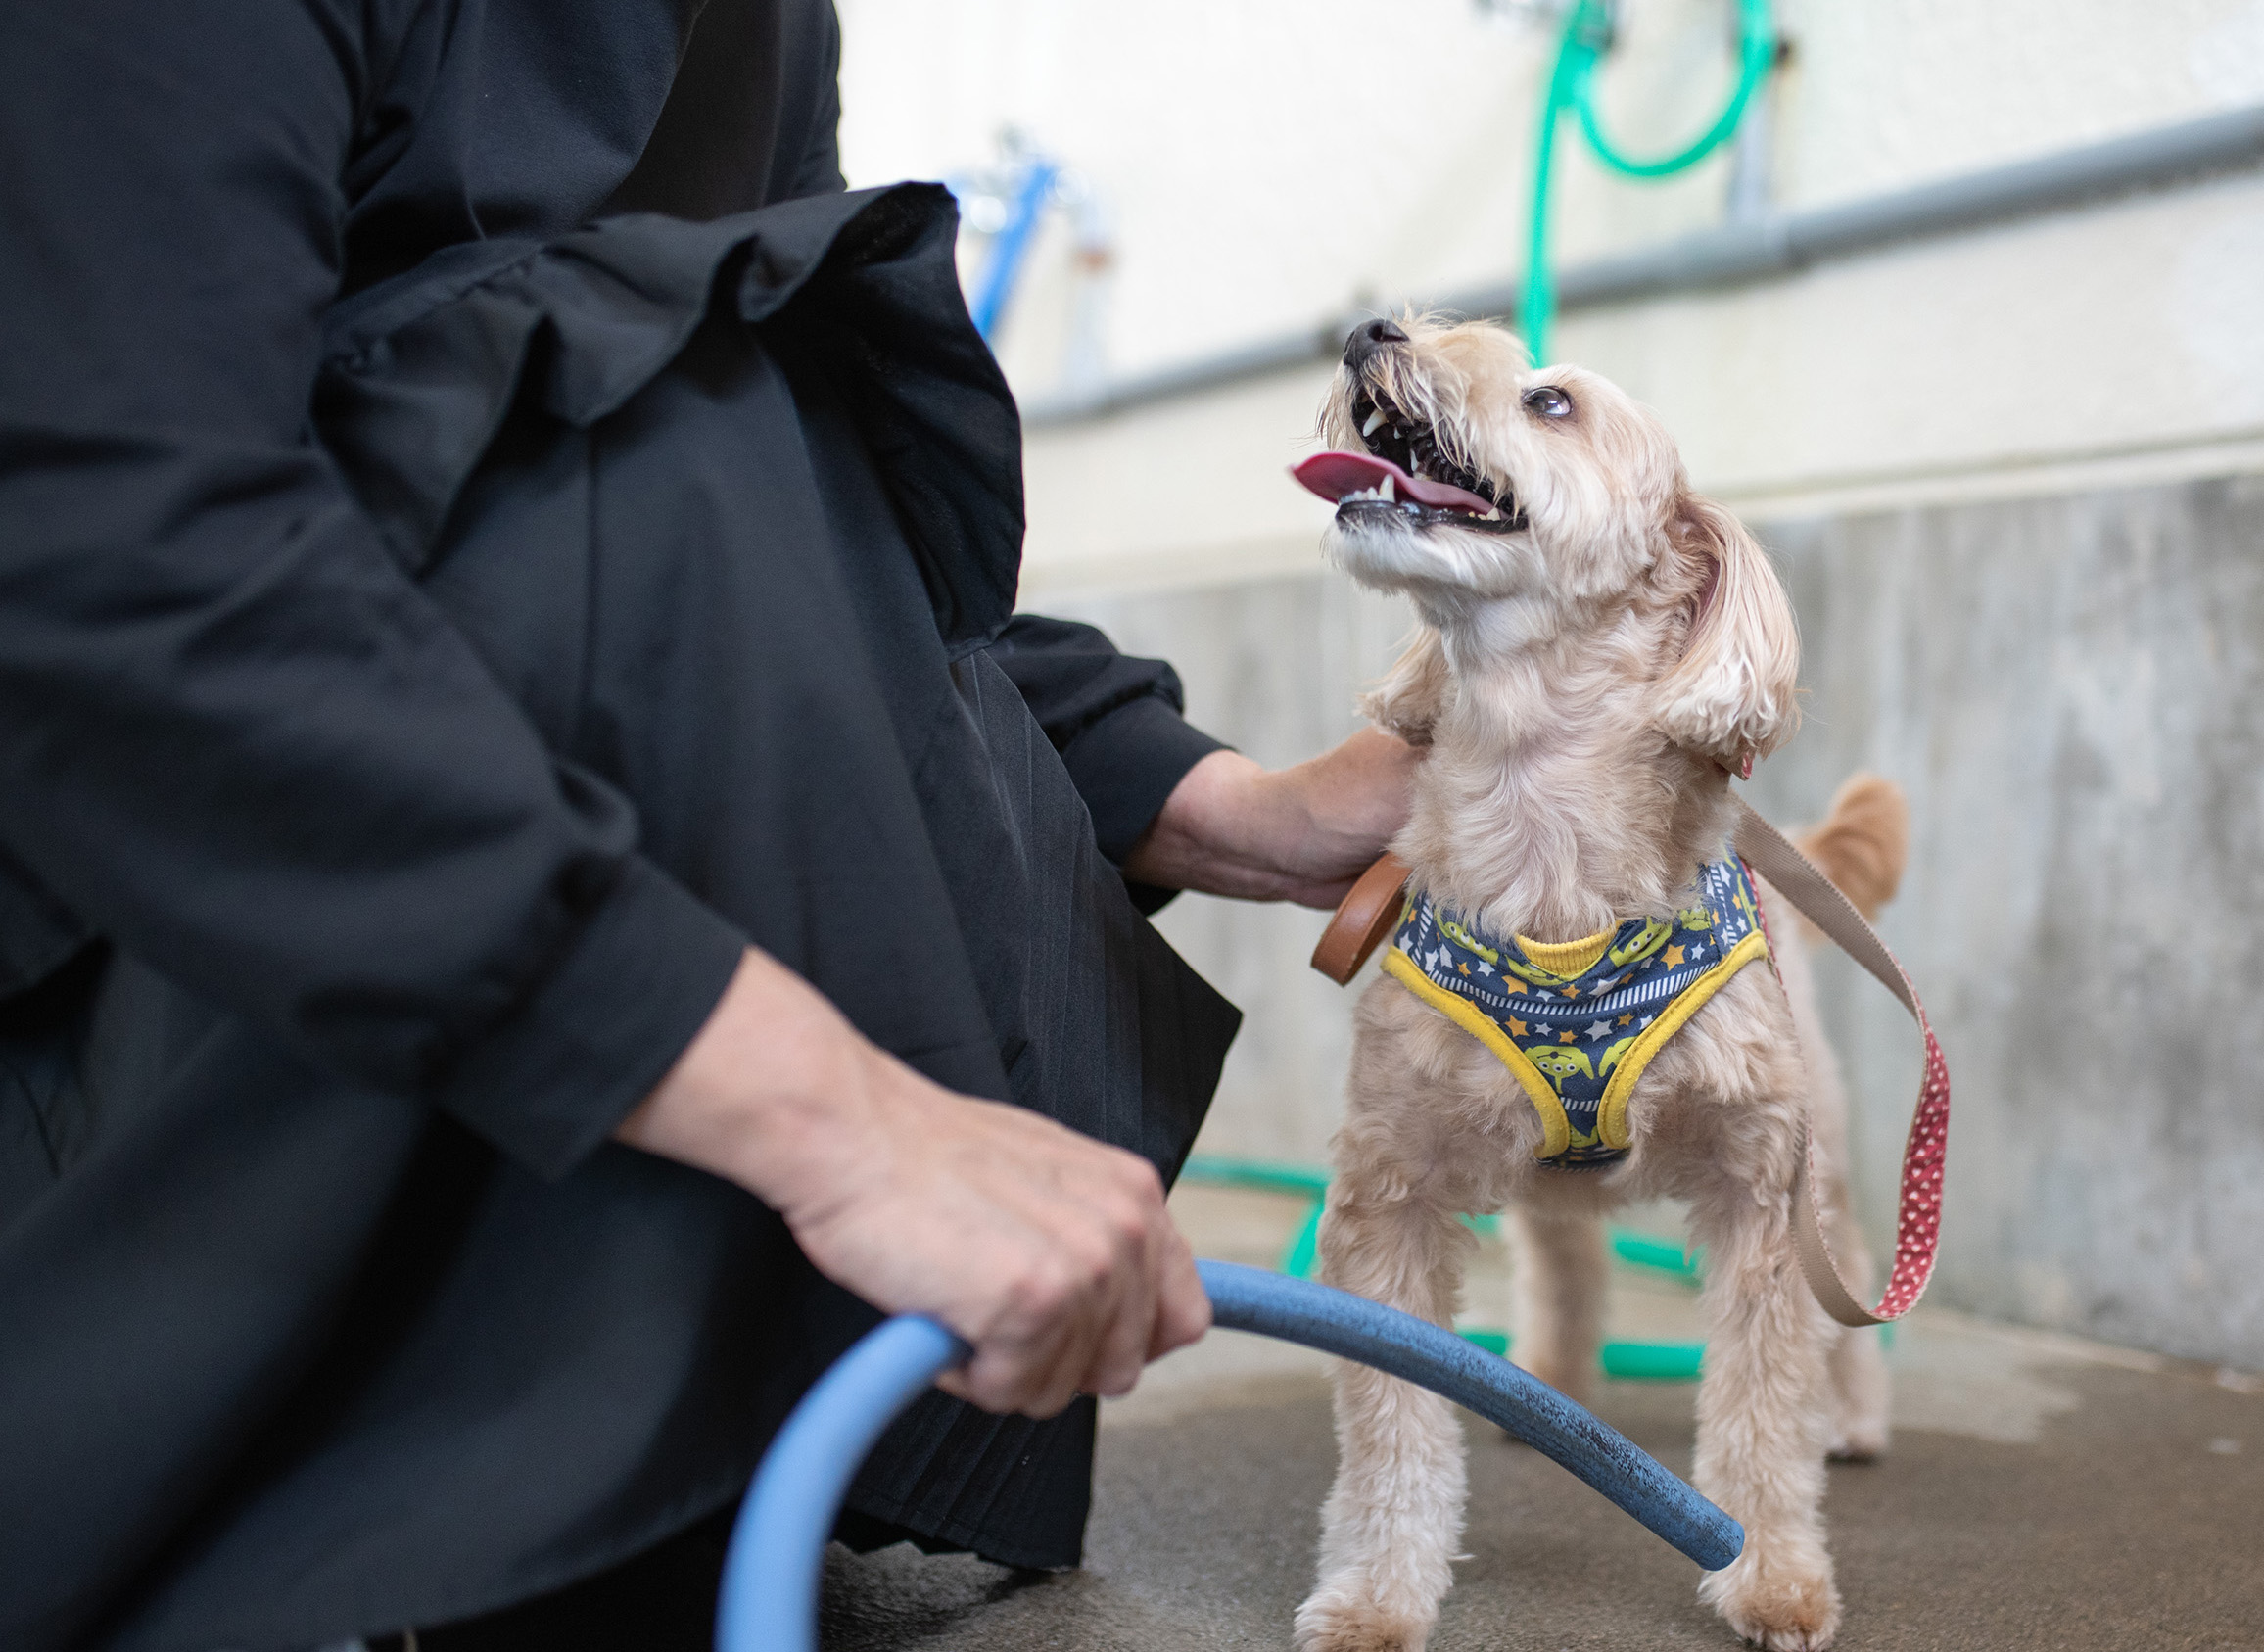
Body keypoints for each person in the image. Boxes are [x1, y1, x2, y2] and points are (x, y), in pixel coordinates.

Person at [0, 3, 1409, 1647]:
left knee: (742, 376)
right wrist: (834, 1118)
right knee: (657, 409)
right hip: (161, 954)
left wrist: (1242, 811)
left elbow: (827, 540)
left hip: (460, 894)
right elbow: (127, 560)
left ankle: (657, 1434)